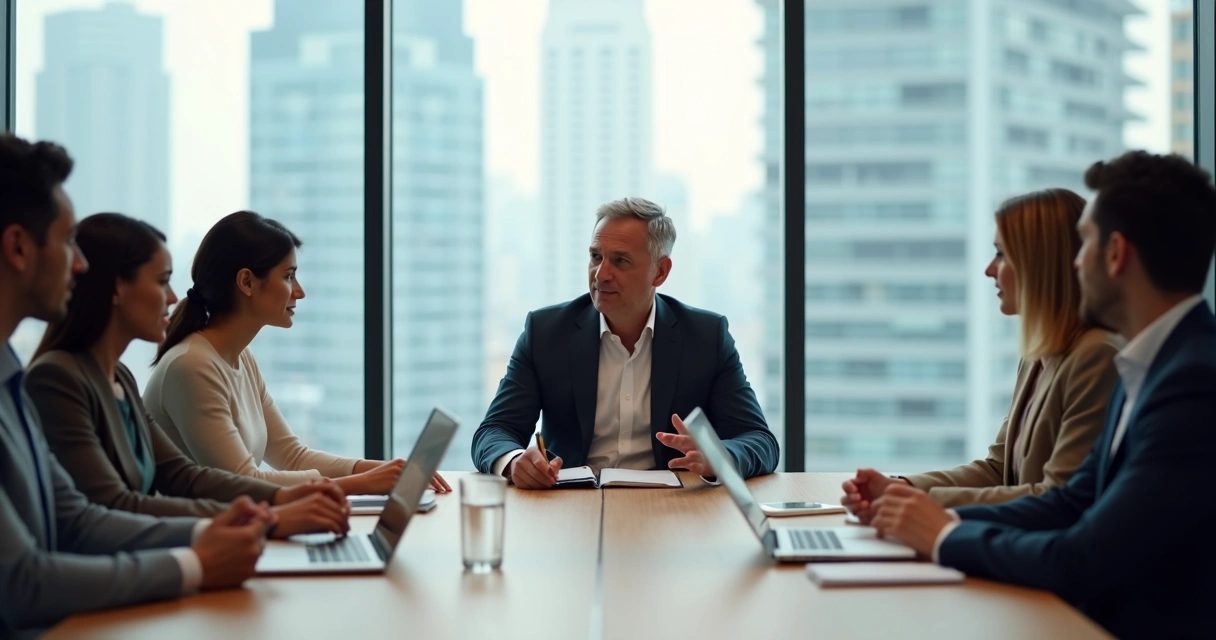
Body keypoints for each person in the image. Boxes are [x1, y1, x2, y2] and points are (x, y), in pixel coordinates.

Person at [869, 151, 1216, 639]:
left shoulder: (1191, 384)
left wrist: (944, 534)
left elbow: (1082, 557)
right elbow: (1070, 502)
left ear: (1115, 254)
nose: (1075, 263)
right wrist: (919, 511)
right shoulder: (1151, 365)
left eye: (1086, 244)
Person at [0, 134, 274, 639]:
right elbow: (22, 582)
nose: (78, 265)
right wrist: (197, 561)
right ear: (18, 246)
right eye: (65, 244)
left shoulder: (18, 378)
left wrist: (227, 528)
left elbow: (78, 518)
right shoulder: (51, 379)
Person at [26, 212, 350, 537]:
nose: (171, 297)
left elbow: (184, 477)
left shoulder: (119, 377)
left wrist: (280, 499)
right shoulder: (57, 379)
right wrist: (268, 518)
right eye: (161, 281)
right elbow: (117, 504)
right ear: (116, 289)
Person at [842, 189, 1122, 519]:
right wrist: (903, 487)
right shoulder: (1040, 353)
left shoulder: (1096, 357)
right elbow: (998, 468)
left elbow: (1056, 497)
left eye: (1002, 255)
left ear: (1039, 265)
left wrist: (920, 504)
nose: (990, 270)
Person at [471, 197, 778, 488]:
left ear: (660, 271)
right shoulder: (546, 332)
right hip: (568, 506)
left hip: (672, 509)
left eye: (620, 261)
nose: (601, 274)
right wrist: (513, 462)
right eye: (595, 257)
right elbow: (494, 431)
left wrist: (720, 457)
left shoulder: (706, 337)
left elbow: (758, 440)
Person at [143, 211, 449, 494]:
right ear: (247, 282)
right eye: (289, 276)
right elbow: (244, 481)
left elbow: (292, 457)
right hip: (194, 540)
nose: (299, 291)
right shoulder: (192, 366)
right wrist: (362, 483)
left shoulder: (240, 357)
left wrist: (383, 469)